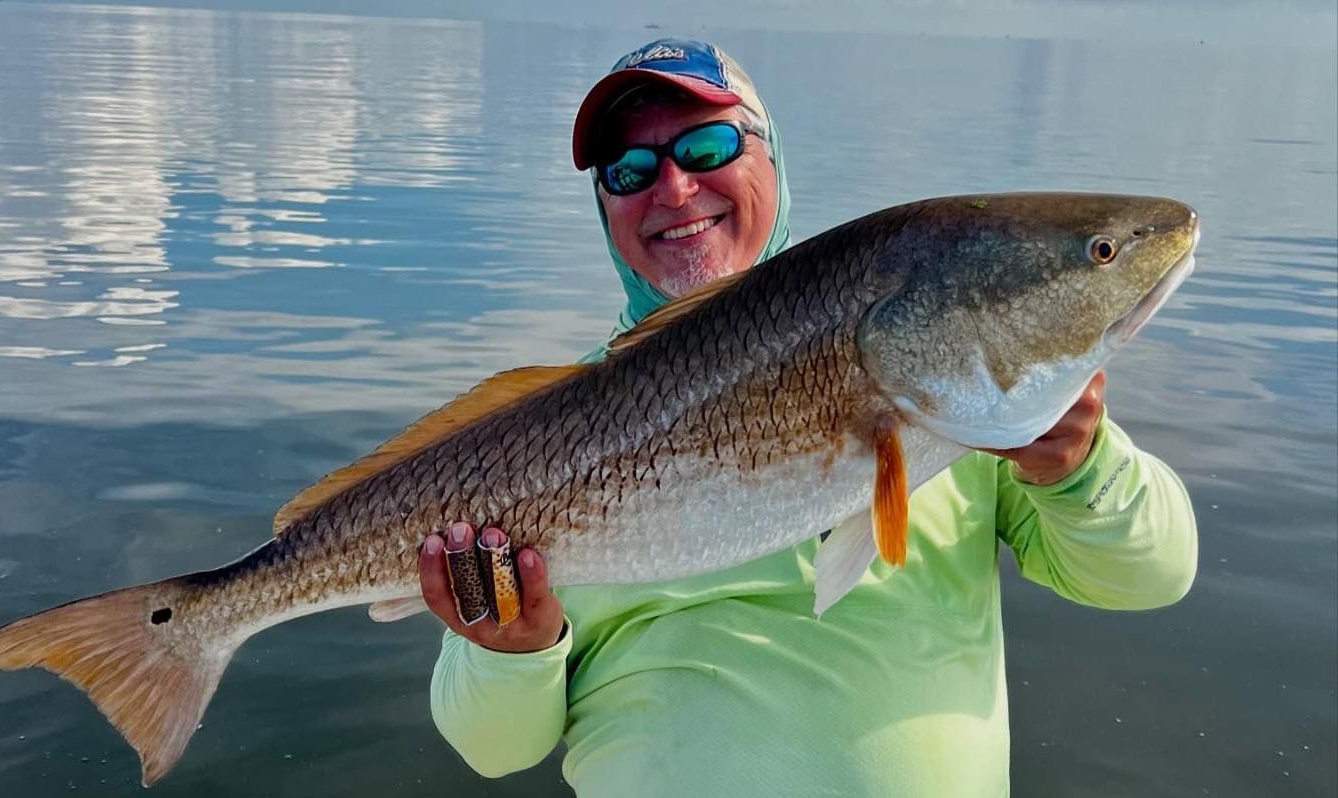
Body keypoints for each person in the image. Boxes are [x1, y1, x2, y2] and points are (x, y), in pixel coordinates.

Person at [416, 39, 1198, 797]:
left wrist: (1080, 464)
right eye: (630, 170)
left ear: (774, 159)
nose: (675, 189)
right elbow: (492, 749)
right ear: (606, 208)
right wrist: (512, 651)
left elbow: (1149, 578)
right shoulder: (536, 438)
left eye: (708, 146)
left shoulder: (961, 372)